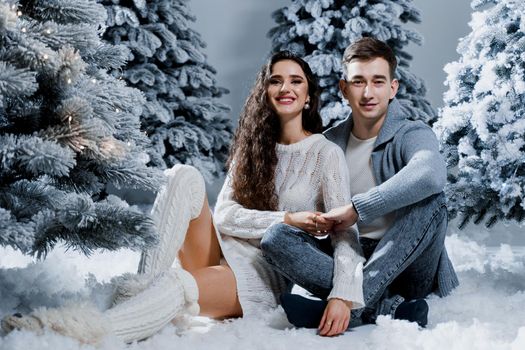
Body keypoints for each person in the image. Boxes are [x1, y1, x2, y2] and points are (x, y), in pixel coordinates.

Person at [1, 51, 365, 343]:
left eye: (295, 81)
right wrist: (286, 218)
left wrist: (342, 295)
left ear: (308, 96)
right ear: (265, 93)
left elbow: (345, 233)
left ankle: (73, 333)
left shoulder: (324, 154)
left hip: (258, 275)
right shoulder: (253, 148)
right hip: (220, 247)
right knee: (182, 175)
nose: (285, 87)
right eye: (276, 80)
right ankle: (139, 295)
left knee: (178, 285)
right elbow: (223, 214)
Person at [260, 37, 459, 331]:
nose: (368, 93)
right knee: (276, 237)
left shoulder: (410, 132)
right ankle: (385, 308)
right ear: (344, 89)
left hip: (408, 262)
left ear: (393, 88)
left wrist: (356, 208)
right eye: (358, 82)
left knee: (433, 201)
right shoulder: (328, 143)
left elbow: (430, 173)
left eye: (378, 81)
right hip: (347, 258)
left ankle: (349, 305)